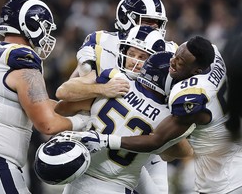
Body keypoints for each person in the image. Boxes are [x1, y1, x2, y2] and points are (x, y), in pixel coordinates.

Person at [72, 36, 242, 194]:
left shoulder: (190, 95)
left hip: (223, 179)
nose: (172, 62)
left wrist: (105, 140)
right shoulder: (213, 56)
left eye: (180, 62)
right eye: (175, 55)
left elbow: (155, 141)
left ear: (197, 70)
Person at [0, 0, 88, 194]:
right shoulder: (23, 58)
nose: (47, 35)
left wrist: (77, 107)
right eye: (45, 27)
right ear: (30, 24)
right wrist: (82, 122)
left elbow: (34, 102)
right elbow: (47, 124)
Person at [56, 0, 176, 194]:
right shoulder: (102, 42)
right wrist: (103, 89)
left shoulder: (171, 51)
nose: (154, 27)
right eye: (148, 21)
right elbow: (69, 89)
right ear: (125, 18)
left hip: (145, 137)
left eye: (157, 23)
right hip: (103, 134)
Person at [54, 51, 193, 194]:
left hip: (78, 178)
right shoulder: (166, 116)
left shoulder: (115, 79)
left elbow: (62, 106)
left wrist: (90, 107)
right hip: (116, 186)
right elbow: (182, 152)